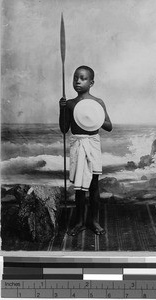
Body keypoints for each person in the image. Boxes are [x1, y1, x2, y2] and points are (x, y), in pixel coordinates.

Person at [59, 65, 112, 236]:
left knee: (94, 185)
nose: (78, 81)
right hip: (78, 144)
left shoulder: (98, 103)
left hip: (93, 144)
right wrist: (62, 109)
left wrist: (94, 117)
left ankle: (93, 220)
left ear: (91, 82)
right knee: (80, 188)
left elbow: (109, 126)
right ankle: (79, 222)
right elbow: (64, 128)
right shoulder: (71, 104)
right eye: (75, 78)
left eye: (83, 78)